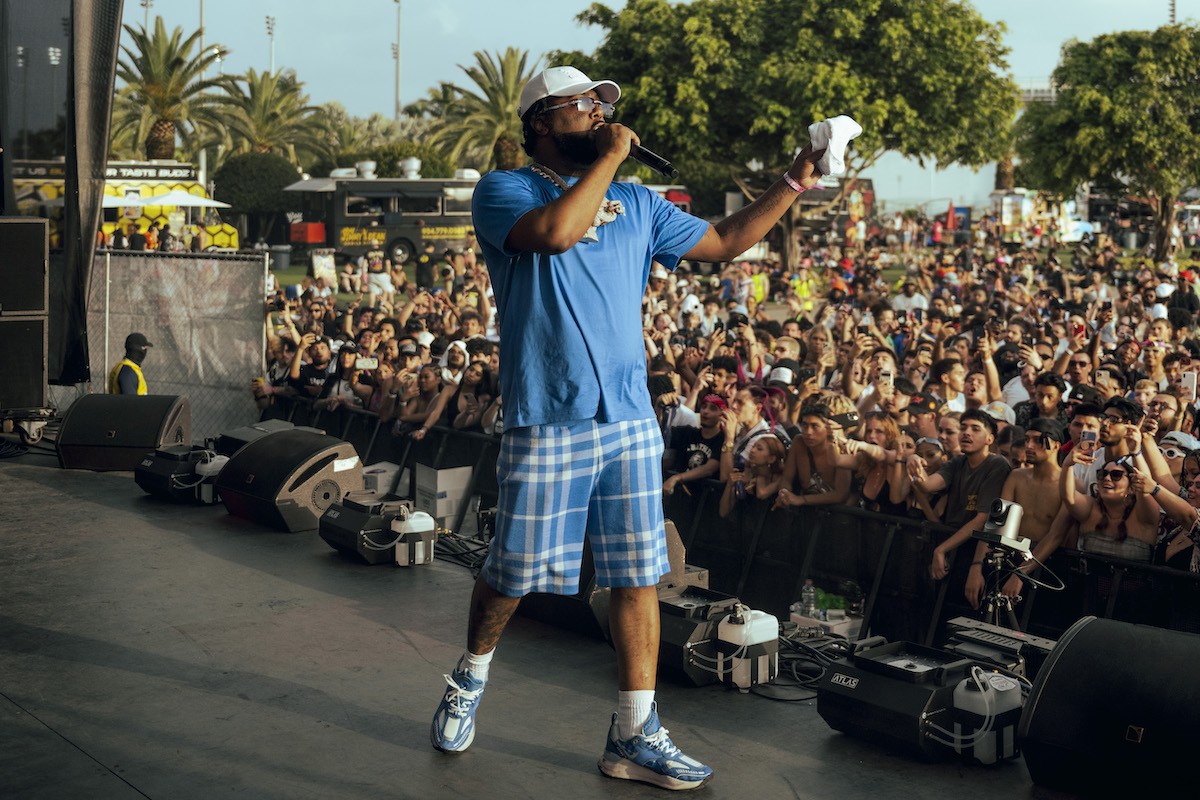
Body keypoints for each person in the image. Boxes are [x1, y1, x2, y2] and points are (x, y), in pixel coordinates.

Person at [429, 64, 830, 791]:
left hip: (628, 420)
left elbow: (728, 239)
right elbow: (554, 235)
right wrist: (612, 154)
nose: (597, 113)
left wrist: (795, 182)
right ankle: (470, 674)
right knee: (514, 573)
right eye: (581, 106)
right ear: (542, 124)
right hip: (547, 414)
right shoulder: (505, 190)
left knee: (638, 575)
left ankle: (634, 732)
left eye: (601, 106)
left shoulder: (639, 202)